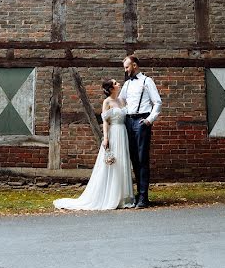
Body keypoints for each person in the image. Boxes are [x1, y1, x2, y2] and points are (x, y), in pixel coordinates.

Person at [53, 80, 134, 210]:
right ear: (111, 88)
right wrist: (106, 138)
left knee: (122, 163)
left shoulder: (122, 101)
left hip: (123, 133)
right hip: (113, 133)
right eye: (116, 83)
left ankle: (123, 197)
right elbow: (106, 122)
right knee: (113, 163)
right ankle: (110, 196)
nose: (119, 84)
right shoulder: (107, 102)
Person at [120, 55, 161, 208]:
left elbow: (157, 102)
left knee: (142, 159)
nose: (126, 70)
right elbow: (121, 100)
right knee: (134, 159)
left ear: (135, 65)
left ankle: (144, 196)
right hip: (129, 121)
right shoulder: (127, 84)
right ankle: (138, 194)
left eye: (127, 67)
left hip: (142, 121)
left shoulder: (146, 81)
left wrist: (150, 120)